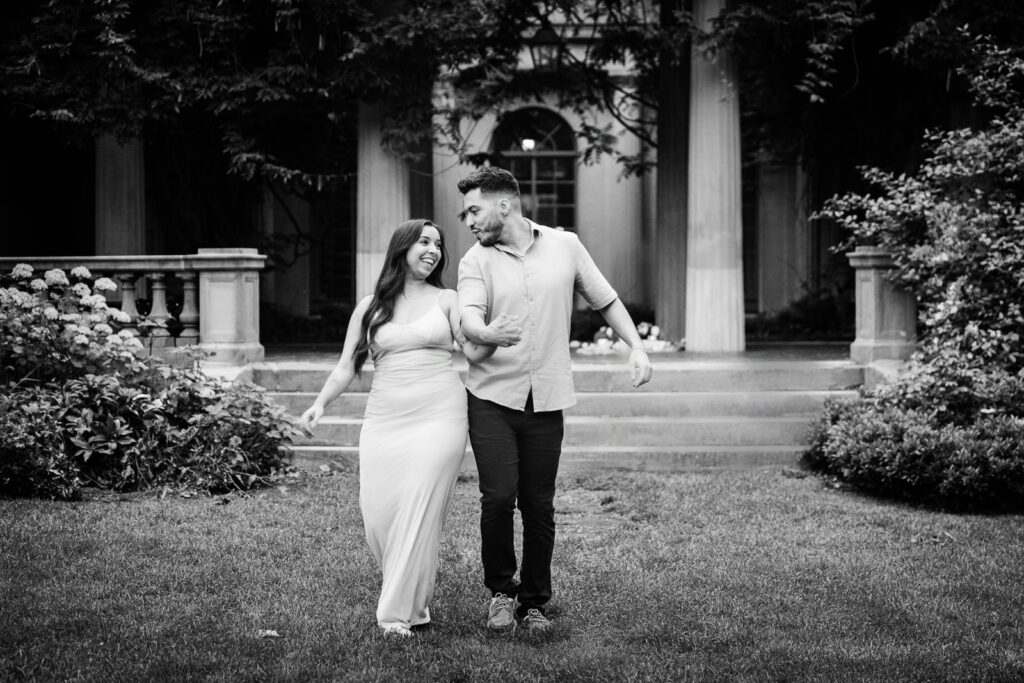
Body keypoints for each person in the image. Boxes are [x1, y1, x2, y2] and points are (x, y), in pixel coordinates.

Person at [457, 166, 654, 634]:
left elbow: (605, 299)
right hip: (491, 397)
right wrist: (487, 332)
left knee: (539, 504)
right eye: (466, 213)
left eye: (474, 210)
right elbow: (468, 315)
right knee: (498, 498)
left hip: (546, 399)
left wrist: (637, 346)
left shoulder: (566, 245)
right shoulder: (474, 260)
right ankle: (501, 592)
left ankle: (534, 603)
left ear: (504, 204)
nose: (469, 221)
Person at [301, 219, 495, 638]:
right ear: (402, 248)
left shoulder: (447, 299)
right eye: (424, 241)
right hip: (384, 420)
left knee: (418, 507)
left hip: (440, 416)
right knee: (379, 515)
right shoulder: (371, 306)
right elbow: (346, 366)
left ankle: (394, 614)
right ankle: (414, 603)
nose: (433, 250)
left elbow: (473, 350)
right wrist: (319, 404)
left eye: (438, 244)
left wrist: (494, 334)